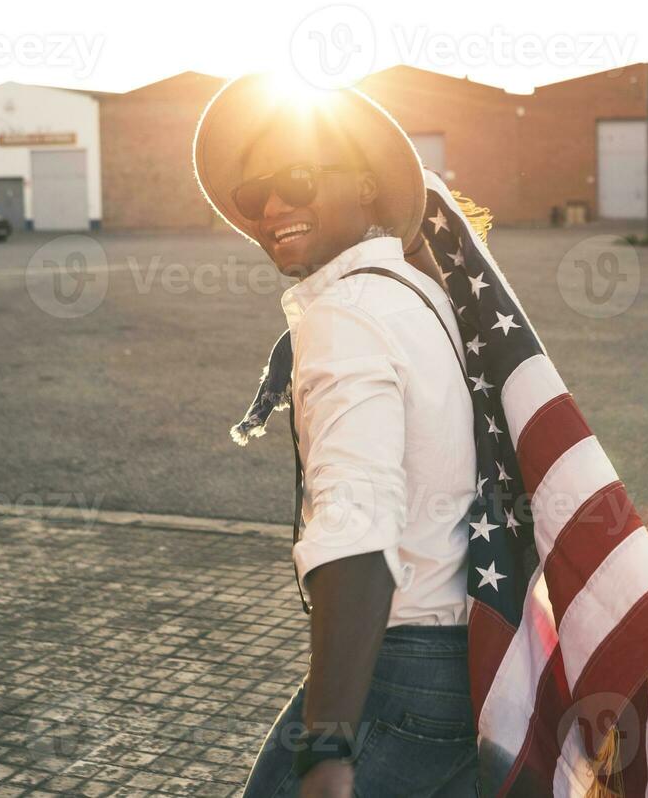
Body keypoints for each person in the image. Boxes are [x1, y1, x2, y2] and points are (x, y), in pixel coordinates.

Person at [192, 75, 481, 797]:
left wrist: (327, 746)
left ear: (365, 188)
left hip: (394, 676)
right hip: (456, 668)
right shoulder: (416, 293)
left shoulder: (345, 315)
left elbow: (357, 522)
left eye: (294, 179)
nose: (273, 208)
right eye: (253, 197)